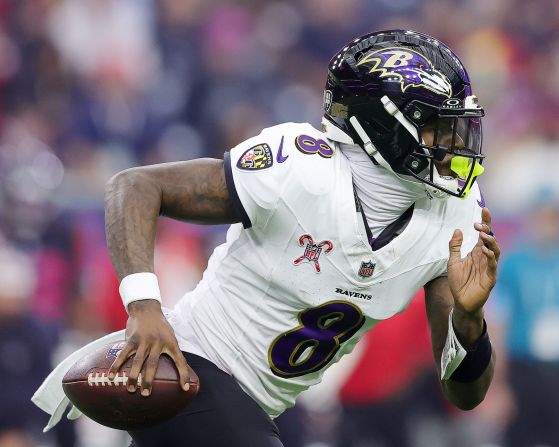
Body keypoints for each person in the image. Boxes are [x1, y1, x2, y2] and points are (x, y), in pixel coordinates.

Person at [36, 29, 500, 447]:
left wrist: (469, 318)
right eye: (433, 124)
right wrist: (143, 308)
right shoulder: (301, 168)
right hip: (190, 366)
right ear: (380, 123)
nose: (452, 141)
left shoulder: (455, 216)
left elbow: (464, 393)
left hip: (266, 406)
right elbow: (135, 186)